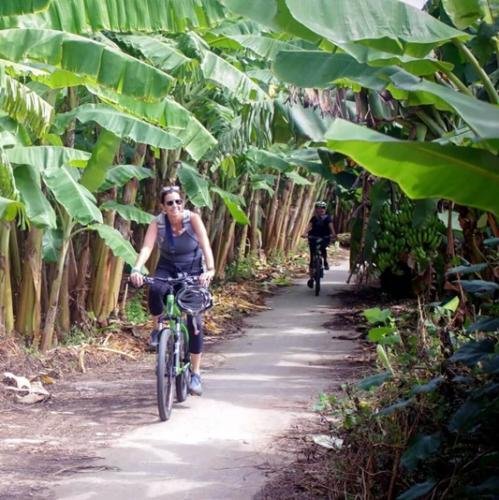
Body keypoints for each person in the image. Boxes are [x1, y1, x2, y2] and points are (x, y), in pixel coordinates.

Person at [130, 185, 215, 396]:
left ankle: (195, 373)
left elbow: (205, 243)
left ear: (183, 204)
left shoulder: (192, 219)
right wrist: (137, 268)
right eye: (170, 203)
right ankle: (158, 329)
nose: (175, 206)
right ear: (163, 206)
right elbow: (148, 247)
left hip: (193, 268)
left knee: (194, 323)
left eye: (178, 202)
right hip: (167, 266)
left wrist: (210, 270)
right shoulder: (158, 223)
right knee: (155, 289)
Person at [305, 201, 336, 288]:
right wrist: (304, 233)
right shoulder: (314, 218)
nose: (321, 209)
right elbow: (309, 227)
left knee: (323, 249)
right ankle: (311, 278)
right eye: (319, 208)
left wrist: (333, 234)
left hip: (324, 237)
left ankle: (325, 262)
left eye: (323, 208)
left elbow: (331, 227)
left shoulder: (328, 218)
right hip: (313, 237)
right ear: (316, 209)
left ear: (325, 209)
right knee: (312, 258)